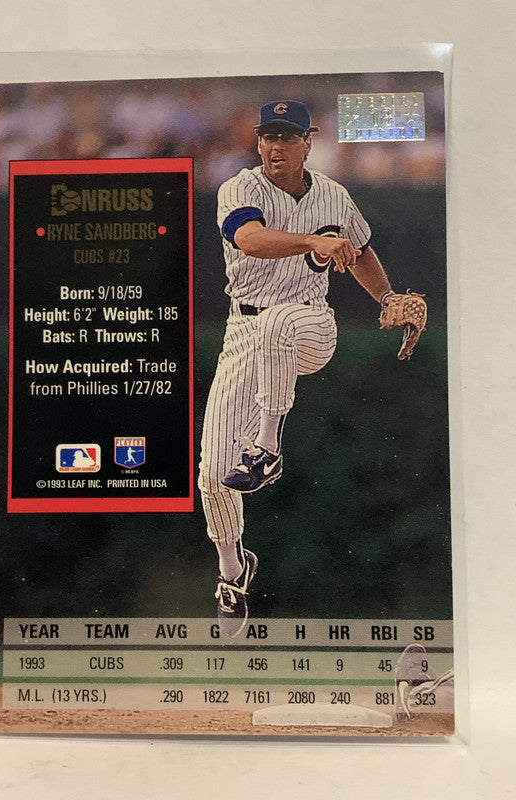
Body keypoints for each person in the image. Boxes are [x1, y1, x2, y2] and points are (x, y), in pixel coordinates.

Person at [198, 100, 396, 637]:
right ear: (258, 141)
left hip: (310, 327)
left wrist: (386, 298)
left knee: (281, 320)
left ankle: (266, 447)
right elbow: (248, 238)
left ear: (309, 142)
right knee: (213, 475)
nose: (276, 147)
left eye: (288, 137)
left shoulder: (334, 194)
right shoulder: (239, 187)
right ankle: (233, 571)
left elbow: (361, 251)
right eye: (269, 136)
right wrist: (313, 241)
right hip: (243, 334)